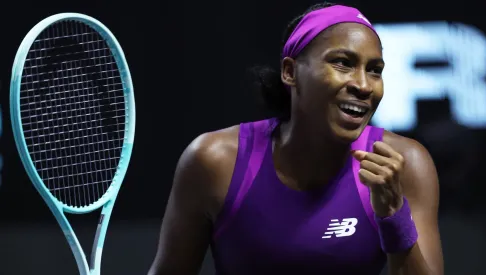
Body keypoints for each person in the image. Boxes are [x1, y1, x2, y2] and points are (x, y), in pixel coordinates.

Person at [148, 3, 444, 275]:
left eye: (374, 70)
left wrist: (394, 217)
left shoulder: (406, 164)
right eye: (342, 63)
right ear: (290, 72)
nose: (364, 85)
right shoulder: (213, 161)